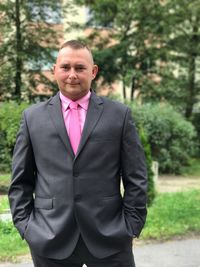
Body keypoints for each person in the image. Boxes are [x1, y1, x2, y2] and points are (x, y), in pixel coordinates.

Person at [8, 40, 147, 267]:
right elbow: (20, 181)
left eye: (80, 68)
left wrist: (131, 224)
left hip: (110, 237)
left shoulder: (119, 115)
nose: (72, 74)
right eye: (65, 67)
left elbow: (136, 176)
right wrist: (26, 227)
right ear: (54, 71)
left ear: (93, 72)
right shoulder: (32, 118)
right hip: (49, 237)